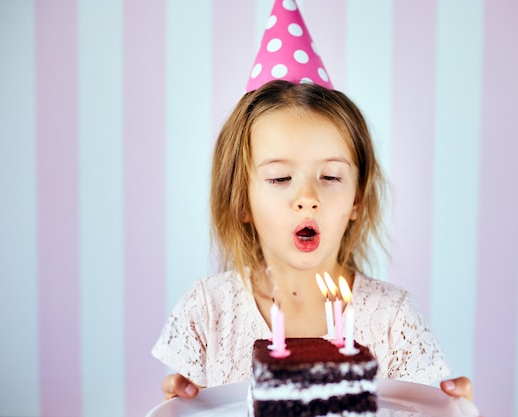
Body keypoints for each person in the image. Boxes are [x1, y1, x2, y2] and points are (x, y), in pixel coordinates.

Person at [152, 80, 474, 403]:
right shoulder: (209, 311)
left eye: (330, 176)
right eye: (280, 178)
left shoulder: (393, 320)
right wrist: (178, 405)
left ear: (357, 198)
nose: (307, 198)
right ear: (241, 202)